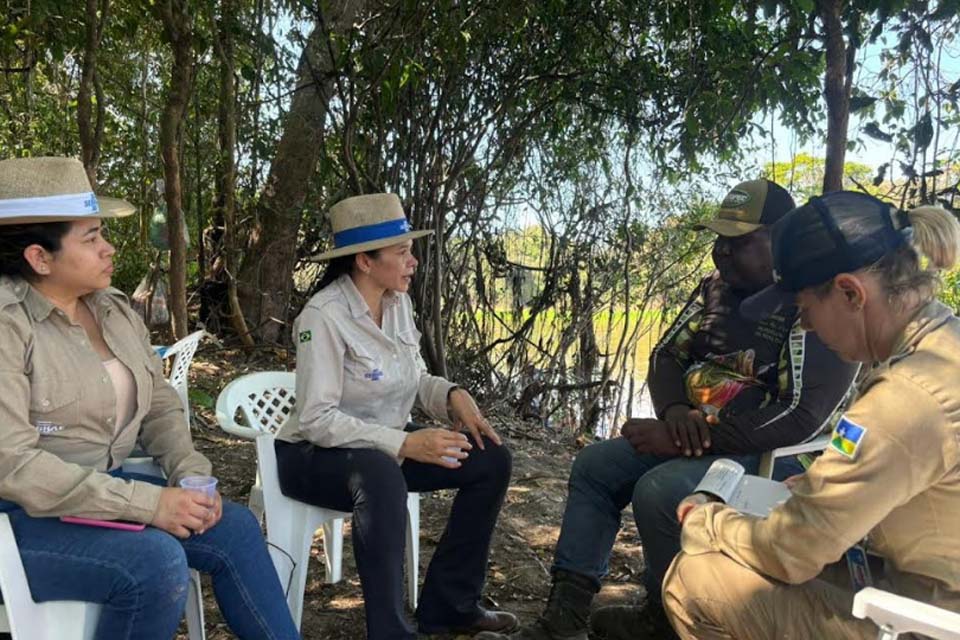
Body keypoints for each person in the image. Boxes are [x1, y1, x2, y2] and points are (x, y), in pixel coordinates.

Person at [478, 179, 859, 640]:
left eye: (737, 242)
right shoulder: (715, 288)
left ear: (780, 238)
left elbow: (802, 416)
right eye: (719, 240)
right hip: (695, 436)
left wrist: (692, 436)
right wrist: (675, 409)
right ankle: (563, 621)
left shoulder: (810, 303)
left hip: (772, 453)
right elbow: (664, 354)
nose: (721, 252)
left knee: (660, 491)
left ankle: (668, 618)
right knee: (595, 465)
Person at [0, 157, 300, 639]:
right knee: (154, 563)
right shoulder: (8, 325)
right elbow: (13, 465)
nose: (109, 249)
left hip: (101, 495)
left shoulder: (113, 309)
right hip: (18, 520)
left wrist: (190, 472)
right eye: (92, 238)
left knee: (236, 529)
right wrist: (147, 504)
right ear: (39, 258)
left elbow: (159, 404)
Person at [663, 192, 960, 639]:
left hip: (927, 618)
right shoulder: (939, 347)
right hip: (923, 583)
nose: (806, 328)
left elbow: (791, 551)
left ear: (849, 292)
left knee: (694, 580)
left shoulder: (906, 397)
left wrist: (707, 519)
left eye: (804, 311)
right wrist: (821, 485)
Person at [274, 193, 515, 640]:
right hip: (311, 455)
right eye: (401, 252)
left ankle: (451, 606)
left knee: (491, 459)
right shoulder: (322, 316)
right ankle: (389, 631)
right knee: (380, 473)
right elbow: (316, 418)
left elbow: (414, 377)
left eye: (410, 250)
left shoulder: (397, 302)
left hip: (382, 443)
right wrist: (403, 443)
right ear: (364, 260)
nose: (413, 261)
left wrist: (452, 395)